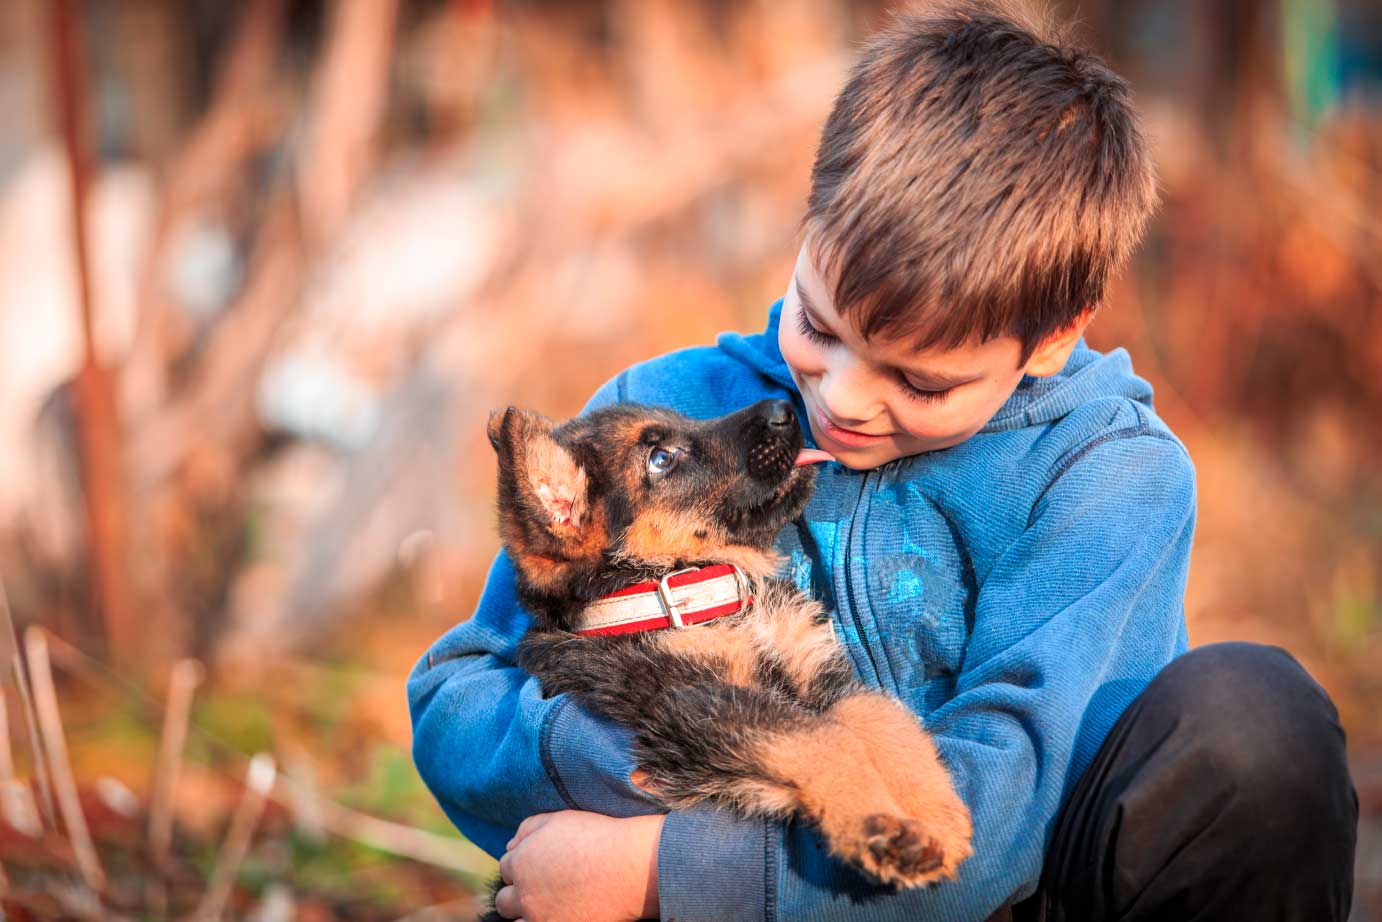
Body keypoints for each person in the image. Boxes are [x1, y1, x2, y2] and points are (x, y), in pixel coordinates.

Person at [407, 2, 1358, 920]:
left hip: (1008, 889)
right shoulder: (664, 408)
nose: (843, 399)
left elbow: (999, 815)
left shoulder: (1107, 479)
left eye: (920, 380)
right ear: (808, 225)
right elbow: (460, 699)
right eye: (819, 327)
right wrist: (647, 748)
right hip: (765, 833)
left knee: (1255, 727)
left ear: (1053, 338)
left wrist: (665, 873)